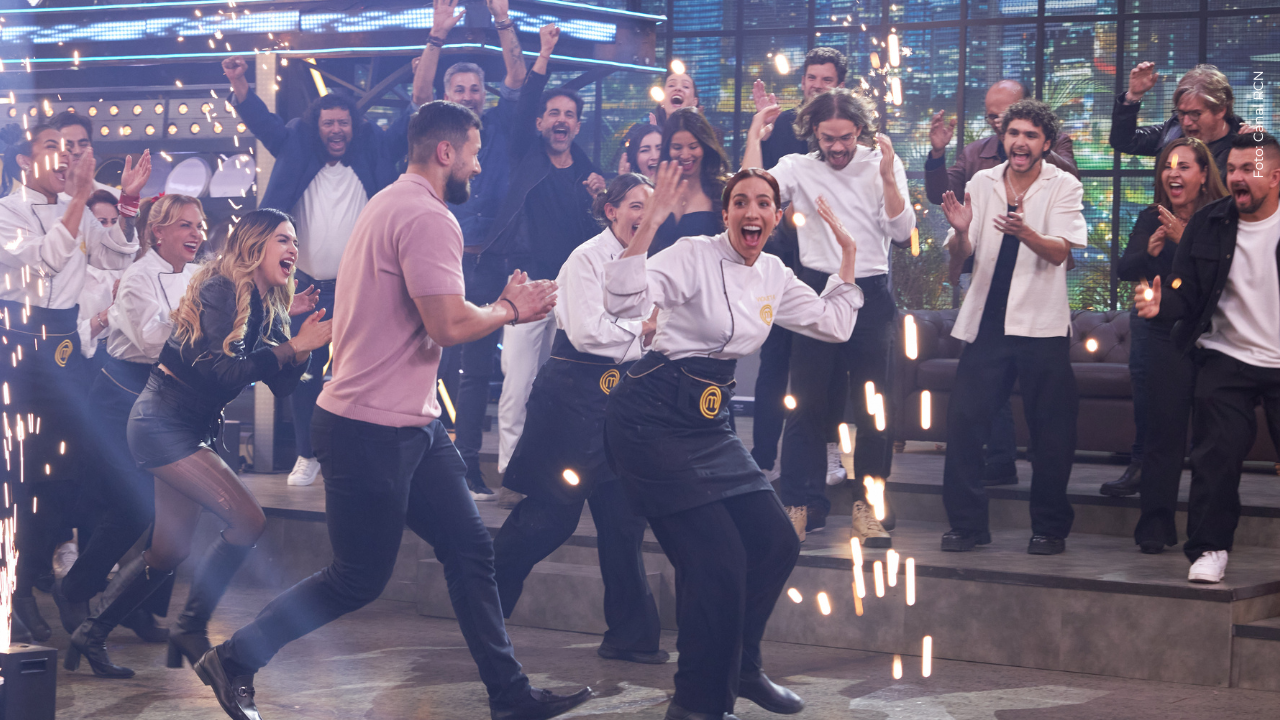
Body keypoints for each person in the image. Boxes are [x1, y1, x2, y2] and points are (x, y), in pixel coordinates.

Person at [203, 101, 591, 720]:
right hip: (368, 429)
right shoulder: (427, 217)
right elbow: (448, 322)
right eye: (473, 151)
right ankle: (236, 659)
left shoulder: (387, 201)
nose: (478, 163)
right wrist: (511, 310)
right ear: (446, 152)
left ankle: (510, 696)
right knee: (357, 579)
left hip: (412, 424)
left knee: (470, 552)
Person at [604, 164, 862, 719]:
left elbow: (832, 324)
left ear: (776, 216)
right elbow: (624, 301)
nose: (752, 211)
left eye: (763, 203)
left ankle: (742, 667)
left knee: (776, 544)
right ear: (725, 214)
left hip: (710, 424)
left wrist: (847, 261)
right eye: (740, 202)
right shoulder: (691, 254)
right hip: (652, 420)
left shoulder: (773, 270)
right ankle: (697, 704)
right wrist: (649, 225)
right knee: (718, 567)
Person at [64, 208, 332, 679]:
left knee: (169, 550)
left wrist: (299, 345)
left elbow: (283, 388)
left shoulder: (268, 303)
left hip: (192, 426)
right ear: (254, 244)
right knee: (249, 520)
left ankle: (91, 632)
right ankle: (190, 626)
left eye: (294, 241)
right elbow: (220, 371)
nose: (293, 249)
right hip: (162, 421)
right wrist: (289, 347)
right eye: (283, 240)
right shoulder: (220, 288)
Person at [492, 173, 665, 666]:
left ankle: (632, 637)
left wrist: (647, 336)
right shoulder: (584, 259)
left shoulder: (650, 262)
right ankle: (484, 608)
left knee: (624, 523)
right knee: (549, 520)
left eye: (649, 208)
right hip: (569, 405)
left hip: (620, 408)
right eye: (635, 205)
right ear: (611, 210)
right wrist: (643, 331)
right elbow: (589, 334)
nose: (642, 216)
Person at [222, 53, 412, 488]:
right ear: (317, 126)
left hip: (364, 289)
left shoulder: (375, 150)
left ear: (354, 126)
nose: (336, 130)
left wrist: (425, 74)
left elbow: (409, 125)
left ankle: (353, 456)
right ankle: (307, 455)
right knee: (304, 371)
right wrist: (240, 86)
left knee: (360, 373)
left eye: (343, 123)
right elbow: (265, 124)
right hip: (305, 289)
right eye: (328, 123)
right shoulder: (295, 144)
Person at [743, 88, 914, 544]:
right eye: (827, 138)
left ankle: (868, 508)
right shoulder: (800, 167)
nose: (837, 147)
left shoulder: (882, 161)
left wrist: (888, 177)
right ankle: (801, 506)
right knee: (806, 406)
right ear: (813, 133)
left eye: (845, 136)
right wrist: (755, 135)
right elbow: (751, 187)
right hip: (817, 291)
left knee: (873, 410)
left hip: (871, 293)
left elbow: (902, 233)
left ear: (860, 130)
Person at [0, 127, 146, 644]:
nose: (65, 159)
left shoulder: (74, 204)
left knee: (61, 476)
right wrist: (82, 198)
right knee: (16, 478)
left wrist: (124, 205)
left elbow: (111, 256)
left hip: (67, 347)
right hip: (17, 346)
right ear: (22, 159)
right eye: (50, 149)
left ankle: (48, 575)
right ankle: (13, 593)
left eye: (69, 151)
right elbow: (43, 262)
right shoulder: (5, 212)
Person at [57, 195, 218, 658]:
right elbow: (152, 340)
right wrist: (205, 316)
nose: (196, 234)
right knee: (137, 507)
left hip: (170, 403)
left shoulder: (199, 277)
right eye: (185, 225)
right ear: (157, 231)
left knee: (171, 515)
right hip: (118, 401)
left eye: (200, 225)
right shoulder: (136, 277)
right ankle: (74, 589)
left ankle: (139, 607)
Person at [938, 100, 1086, 555]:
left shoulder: (1064, 185)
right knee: (964, 425)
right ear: (1003, 137)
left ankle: (1049, 528)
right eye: (1013, 133)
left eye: (1031, 136)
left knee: (1051, 433)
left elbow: (1062, 253)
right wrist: (961, 233)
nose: (1020, 142)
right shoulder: (981, 182)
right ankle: (966, 525)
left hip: (1041, 325)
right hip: (987, 323)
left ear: (1045, 144)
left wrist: (1025, 232)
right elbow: (955, 265)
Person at [1134, 131, 1280, 583]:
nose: (1237, 179)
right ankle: (1210, 550)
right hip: (1226, 355)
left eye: (1248, 171)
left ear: (1275, 177)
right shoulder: (1210, 222)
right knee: (1215, 458)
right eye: (1232, 169)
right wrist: (1164, 306)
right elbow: (1187, 291)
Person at [472, 24, 604, 501]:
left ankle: (553, 469)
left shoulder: (592, 176)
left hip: (573, 293)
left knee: (562, 388)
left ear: (577, 124)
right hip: (527, 286)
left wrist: (600, 202)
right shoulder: (525, 155)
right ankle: (511, 472)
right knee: (518, 383)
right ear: (541, 122)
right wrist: (544, 54)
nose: (560, 120)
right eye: (553, 113)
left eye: (569, 114)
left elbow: (602, 238)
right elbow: (523, 101)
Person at [413, 0, 532, 500]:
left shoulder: (499, 129)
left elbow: (518, 76)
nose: (468, 95)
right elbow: (419, 92)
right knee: (428, 360)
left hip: (489, 260)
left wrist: (504, 17)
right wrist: (437, 35)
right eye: (459, 89)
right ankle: (425, 462)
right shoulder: (435, 130)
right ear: (447, 94)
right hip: (442, 258)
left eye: (474, 89)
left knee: (479, 370)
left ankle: (465, 466)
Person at [1104, 139, 1227, 513]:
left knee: (1214, 434)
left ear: (1204, 175)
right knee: (1161, 429)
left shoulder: (1220, 219)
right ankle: (1154, 525)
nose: (1173, 173)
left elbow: (1221, 280)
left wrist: (1184, 240)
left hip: (1210, 337)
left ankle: (1209, 523)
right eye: (1168, 166)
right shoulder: (1151, 217)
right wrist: (1150, 251)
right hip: (1158, 334)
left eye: (1184, 166)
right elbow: (1125, 269)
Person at [748, 47, 848, 485]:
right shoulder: (782, 126)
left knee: (830, 369)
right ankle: (762, 456)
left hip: (828, 269)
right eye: (812, 78)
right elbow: (755, 186)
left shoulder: (851, 133)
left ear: (839, 85)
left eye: (826, 80)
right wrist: (759, 132)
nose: (817, 86)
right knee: (774, 362)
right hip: (778, 261)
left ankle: (829, 453)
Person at [1111, 63, 1244, 181]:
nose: (1186, 122)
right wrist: (1133, 97)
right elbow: (1124, 141)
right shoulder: (1172, 131)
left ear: (1220, 110)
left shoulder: (1244, 146)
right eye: (1181, 113)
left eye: (1195, 114)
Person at [650, 107, 730, 256]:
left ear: (705, 147)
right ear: (668, 149)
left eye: (693, 147)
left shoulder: (723, 190)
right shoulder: (657, 190)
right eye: (677, 147)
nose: (685, 155)